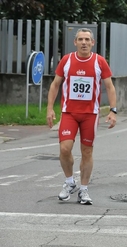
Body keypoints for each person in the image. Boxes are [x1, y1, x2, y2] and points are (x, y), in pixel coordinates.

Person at [46, 28, 117, 205]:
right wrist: (49, 108)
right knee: (65, 148)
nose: (84, 42)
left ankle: (84, 190)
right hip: (69, 112)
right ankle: (70, 182)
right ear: (75, 42)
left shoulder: (99, 62)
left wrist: (113, 111)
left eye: (87, 39)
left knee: (87, 151)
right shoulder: (67, 60)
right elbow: (55, 85)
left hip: (90, 114)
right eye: (80, 39)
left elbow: (109, 87)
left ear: (92, 43)